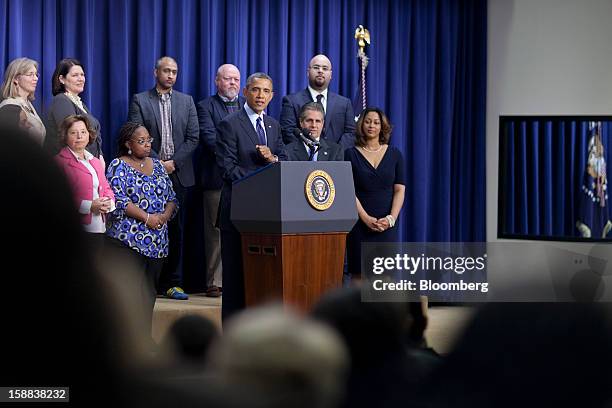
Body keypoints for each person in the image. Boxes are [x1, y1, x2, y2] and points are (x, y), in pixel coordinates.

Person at [216, 72, 288, 319]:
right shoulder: (230, 123)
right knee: (236, 280)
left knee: (262, 280)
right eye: (256, 90)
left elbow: (282, 161)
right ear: (245, 91)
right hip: (238, 212)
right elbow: (227, 168)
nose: (260, 96)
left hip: (268, 216)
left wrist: (274, 159)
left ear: (272, 96)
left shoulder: (273, 125)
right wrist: (259, 183)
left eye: (266, 91)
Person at [128, 56, 199, 300]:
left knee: (176, 230)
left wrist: (174, 163)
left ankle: (173, 283)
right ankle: (148, 284)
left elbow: (193, 137)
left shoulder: (187, 101)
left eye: (174, 72)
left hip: (179, 173)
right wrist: (159, 163)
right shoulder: (140, 100)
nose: (170, 75)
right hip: (149, 171)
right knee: (149, 224)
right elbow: (136, 133)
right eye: (166, 71)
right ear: (155, 72)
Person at [105, 122, 178, 337]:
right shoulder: (118, 165)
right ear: (128, 144)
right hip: (127, 240)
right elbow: (118, 200)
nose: (147, 145)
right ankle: (123, 342)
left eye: (149, 140)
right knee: (128, 296)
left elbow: (171, 197)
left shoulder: (157, 165)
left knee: (148, 295)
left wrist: (163, 216)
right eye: (141, 141)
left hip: (157, 242)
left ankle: (143, 340)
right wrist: (147, 218)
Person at [196, 63, 244, 298]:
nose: (232, 83)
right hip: (216, 178)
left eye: (236, 79)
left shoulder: (247, 106)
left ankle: (239, 279)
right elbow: (210, 139)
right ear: (217, 82)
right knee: (215, 232)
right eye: (227, 79)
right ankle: (214, 281)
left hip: (247, 180)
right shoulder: (205, 106)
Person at [345, 108, 405, 278]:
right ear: (361, 124)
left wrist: (390, 219)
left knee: (385, 275)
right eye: (368, 121)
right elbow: (349, 191)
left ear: (382, 126)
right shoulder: (350, 154)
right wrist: (366, 218)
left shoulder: (395, 154)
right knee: (359, 273)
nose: (372, 125)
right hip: (359, 223)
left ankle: (382, 306)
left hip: (387, 224)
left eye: (376, 122)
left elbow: (400, 189)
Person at [54, 115, 115, 251]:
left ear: (89, 134)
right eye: (73, 133)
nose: (79, 137)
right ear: (65, 135)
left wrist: (108, 203)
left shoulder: (95, 161)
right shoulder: (59, 162)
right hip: (76, 231)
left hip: (99, 227)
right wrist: (90, 206)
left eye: (83, 132)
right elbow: (58, 198)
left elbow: (105, 188)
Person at [280, 54, 355, 149]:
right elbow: (288, 131)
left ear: (331, 75)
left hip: (335, 160)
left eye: (325, 68)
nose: (320, 71)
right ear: (308, 72)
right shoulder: (291, 101)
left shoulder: (344, 103)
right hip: (303, 160)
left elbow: (350, 133)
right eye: (316, 67)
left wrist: (334, 153)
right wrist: (309, 149)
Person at [45, 58, 104, 161]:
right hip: (74, 164)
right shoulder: (61, 101)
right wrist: (92, 162)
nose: (81, 79)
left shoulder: (79, 103)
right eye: (75, 75)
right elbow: (73, 138)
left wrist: (100, 158)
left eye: (82, 75)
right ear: (62, 79)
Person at [0, 57, 46, 145]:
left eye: (36, 74)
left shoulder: (28, 104)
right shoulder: (9, 107)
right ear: (16, 79)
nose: (36, 78)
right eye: (30, 74)